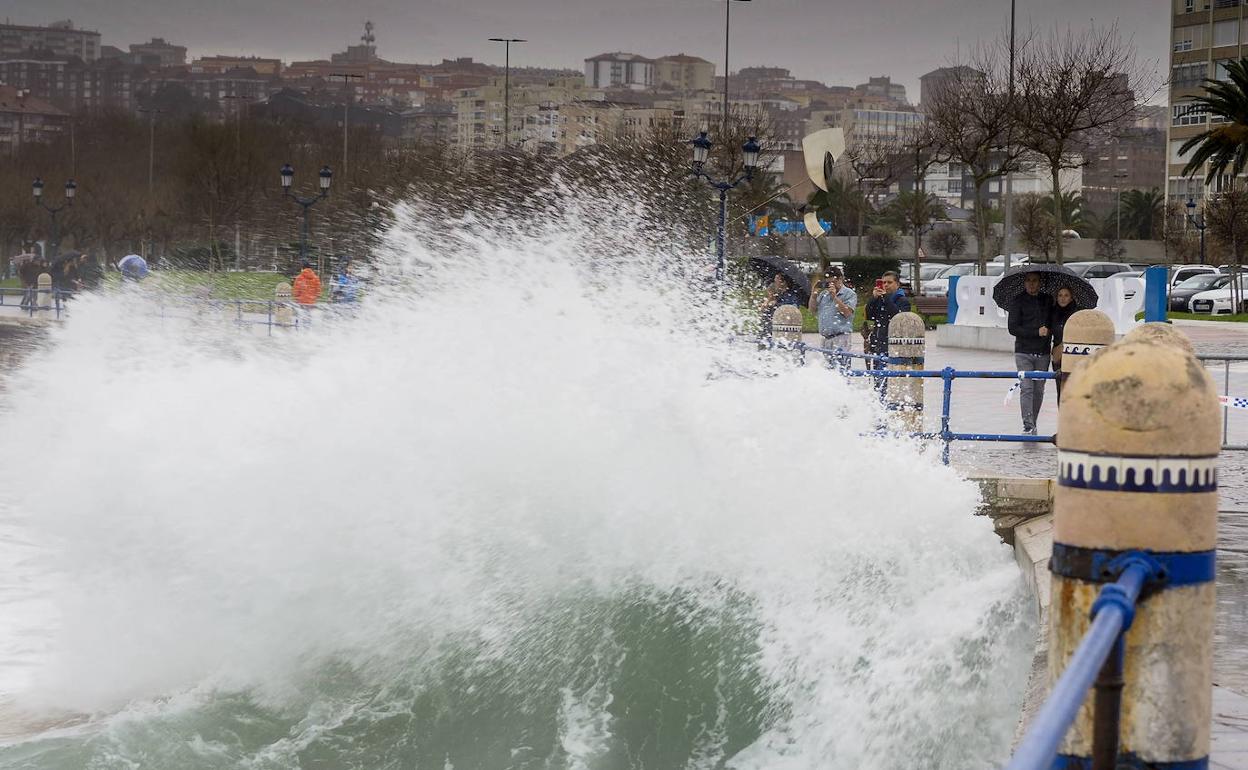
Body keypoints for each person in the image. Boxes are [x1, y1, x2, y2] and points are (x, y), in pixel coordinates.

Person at [1007, 272, 1054, 435]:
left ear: (1040, 283)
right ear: (1024, 283)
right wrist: (1036, 332)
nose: (1031, 284)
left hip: (1043, 353)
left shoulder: (1048, 300)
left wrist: (1049, 331)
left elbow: (1052, 322)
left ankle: (1033, 421)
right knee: (1027, 388)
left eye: (1035, 281)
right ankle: (1028, 424)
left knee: (1039, 389)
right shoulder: (1017, 301)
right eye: (1028, 281)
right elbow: (1013, 328)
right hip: (1023, 352)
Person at [864, 271, 911, 387]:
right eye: (884, 282)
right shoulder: (880, 300)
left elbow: (897, 317)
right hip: (878, 346)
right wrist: (873, 299)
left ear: (897, 284)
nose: (886, 285)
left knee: (889, 383)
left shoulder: (902, 301)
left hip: (893, 348)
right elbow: (870, 315)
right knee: (878, 381)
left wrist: (885, 298)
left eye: (889, 282)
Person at [808, 266, 856, 361]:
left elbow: (847, 313)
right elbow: (812, 310)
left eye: (833, 282)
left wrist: (834, 297)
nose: (831, 285)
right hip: (825, 338)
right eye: (828, 283)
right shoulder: (823, 294)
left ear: (840, 279)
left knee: (840, 369)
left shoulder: (849, 294)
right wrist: (813, 296)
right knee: (827, 371)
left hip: (841, 337)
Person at [1048, 286, 1077, 404]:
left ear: (1071, 298)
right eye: (1060, 295)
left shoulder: (1077, 314)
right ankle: (1062, 418)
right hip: (1058, 356)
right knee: (1061, 390)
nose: (1063, 298)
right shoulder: (1053, 313)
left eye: (1066, 295)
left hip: (1073, 355)